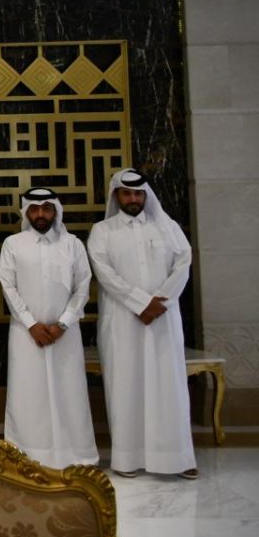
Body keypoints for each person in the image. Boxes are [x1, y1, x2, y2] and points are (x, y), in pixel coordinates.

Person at [88, 168, 198, 479]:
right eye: (127, 193)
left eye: (138, 193)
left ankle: (178, 458)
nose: (133, 198)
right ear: (117, 196)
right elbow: (104, 273)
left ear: (146, 196)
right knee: (126, 386)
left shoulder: (168, 227)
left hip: (163, 318)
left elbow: (184, 262)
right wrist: (140, 302)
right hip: (123, 321)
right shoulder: (102, 231)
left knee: (169, 386)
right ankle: (128, 459)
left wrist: (161, 300)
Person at [0, 187, 97, 469]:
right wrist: (31, 324)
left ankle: (77, 456)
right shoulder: (13, 244)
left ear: (55, 211)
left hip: (65, 333)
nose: (40, 214)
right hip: (25, 334)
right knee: (28, 394)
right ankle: (25, 456)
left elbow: (82, 287)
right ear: (26, 212)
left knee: (70, 393)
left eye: (46, 208)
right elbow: (8, 286)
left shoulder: (72, 245)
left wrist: (63, 323)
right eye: (34, 209)